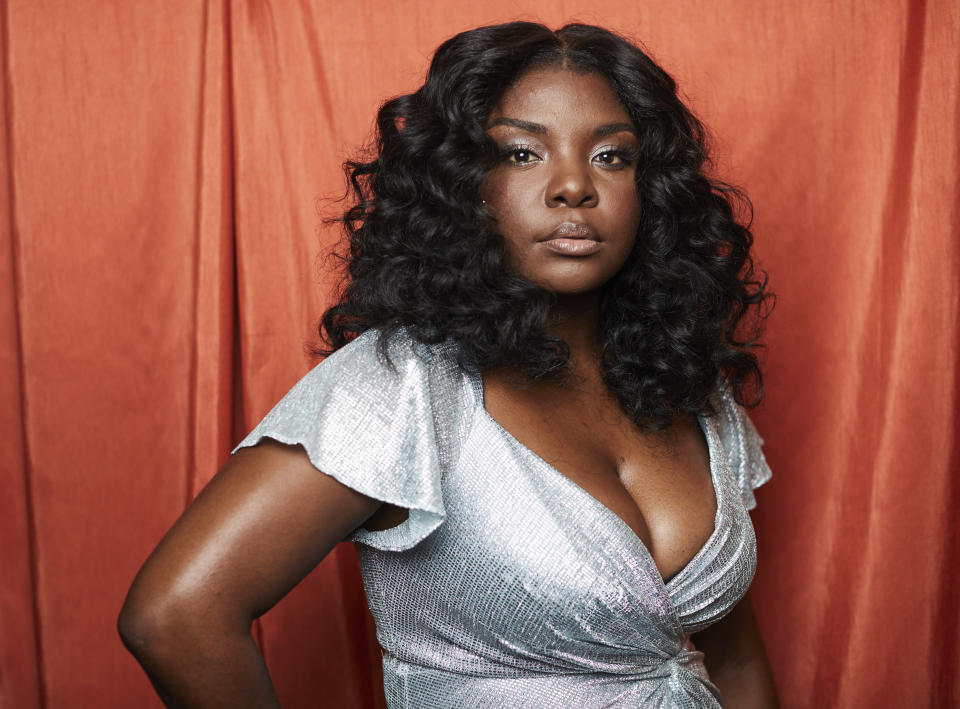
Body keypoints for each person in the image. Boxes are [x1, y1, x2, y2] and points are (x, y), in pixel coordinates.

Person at [118, 21, 778, 708]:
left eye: (612, 156)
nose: (573, 186)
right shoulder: (403, 388)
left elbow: (732, 657)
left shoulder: (689, 389)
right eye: (522, 153)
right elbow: (174, 616)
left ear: (652, 188)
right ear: (464, 183)